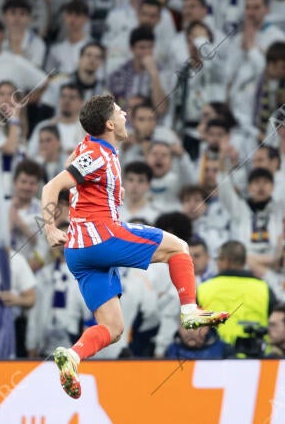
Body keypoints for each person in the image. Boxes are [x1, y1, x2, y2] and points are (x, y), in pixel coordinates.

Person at [41, 94, 229, 398]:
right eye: (119, 111)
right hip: (100, 237)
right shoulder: (98, 153)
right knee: (179, 248)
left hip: (78, 252)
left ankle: (72, 357)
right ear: (109, 123)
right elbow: (53, 186)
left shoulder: (92, 150)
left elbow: (77, 178)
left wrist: (111, 192)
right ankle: (190, 311)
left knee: (113, 328)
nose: (125, 113)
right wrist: (50, 227)